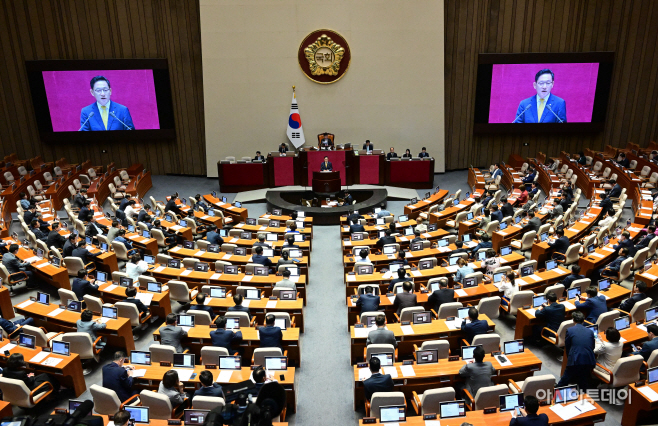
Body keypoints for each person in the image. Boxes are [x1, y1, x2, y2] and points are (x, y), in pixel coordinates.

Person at [557, 311, 595, 391]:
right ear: (583, 320)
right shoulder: (590, 331)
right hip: (588, 359)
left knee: (565, 379)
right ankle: (585, 397)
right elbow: (592, 346)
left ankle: (555, 394)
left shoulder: (570, 330)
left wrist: (569, 357)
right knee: (583, 379)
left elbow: (567, 346)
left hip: (575, 358)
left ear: (573, 320)